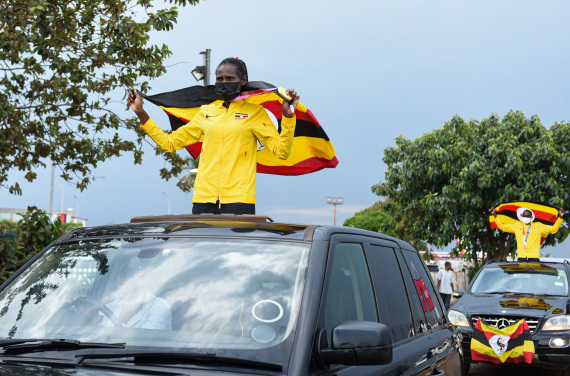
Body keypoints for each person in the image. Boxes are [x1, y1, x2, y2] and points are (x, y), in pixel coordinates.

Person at [128, 57, 299, 215]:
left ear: (243, 81)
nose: (223, 82)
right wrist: (141, 113)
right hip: (203, 200)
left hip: (239, 201)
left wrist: (288, 117)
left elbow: (281, 151)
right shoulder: (206, 112)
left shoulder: (255, 113)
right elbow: (169, 143)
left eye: (229, 78)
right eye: (220, 79)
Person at [490, 206, 565, 262]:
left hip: (534, 258)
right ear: (521, 217)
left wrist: (560, 217)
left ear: (531, 217)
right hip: (521, 258)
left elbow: (553, 229)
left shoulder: (538, 226)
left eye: (527, 216)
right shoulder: (517, 226)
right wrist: (495, 215)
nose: (526, 217)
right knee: (522, 279)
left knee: (533, 279)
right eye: (524, 216)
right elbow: (502, 227)